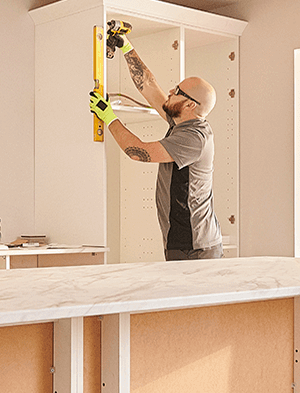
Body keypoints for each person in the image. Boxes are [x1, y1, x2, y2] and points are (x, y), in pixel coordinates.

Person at [88, 36, 223, 260]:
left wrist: (109, 117)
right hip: (183, 241)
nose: (171, 91)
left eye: (178, 91)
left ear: (190, 104)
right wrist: (126, 46)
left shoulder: (194, 138)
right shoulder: (181, 120)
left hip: (195, 246)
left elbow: (138, 151)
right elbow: (149, 86)